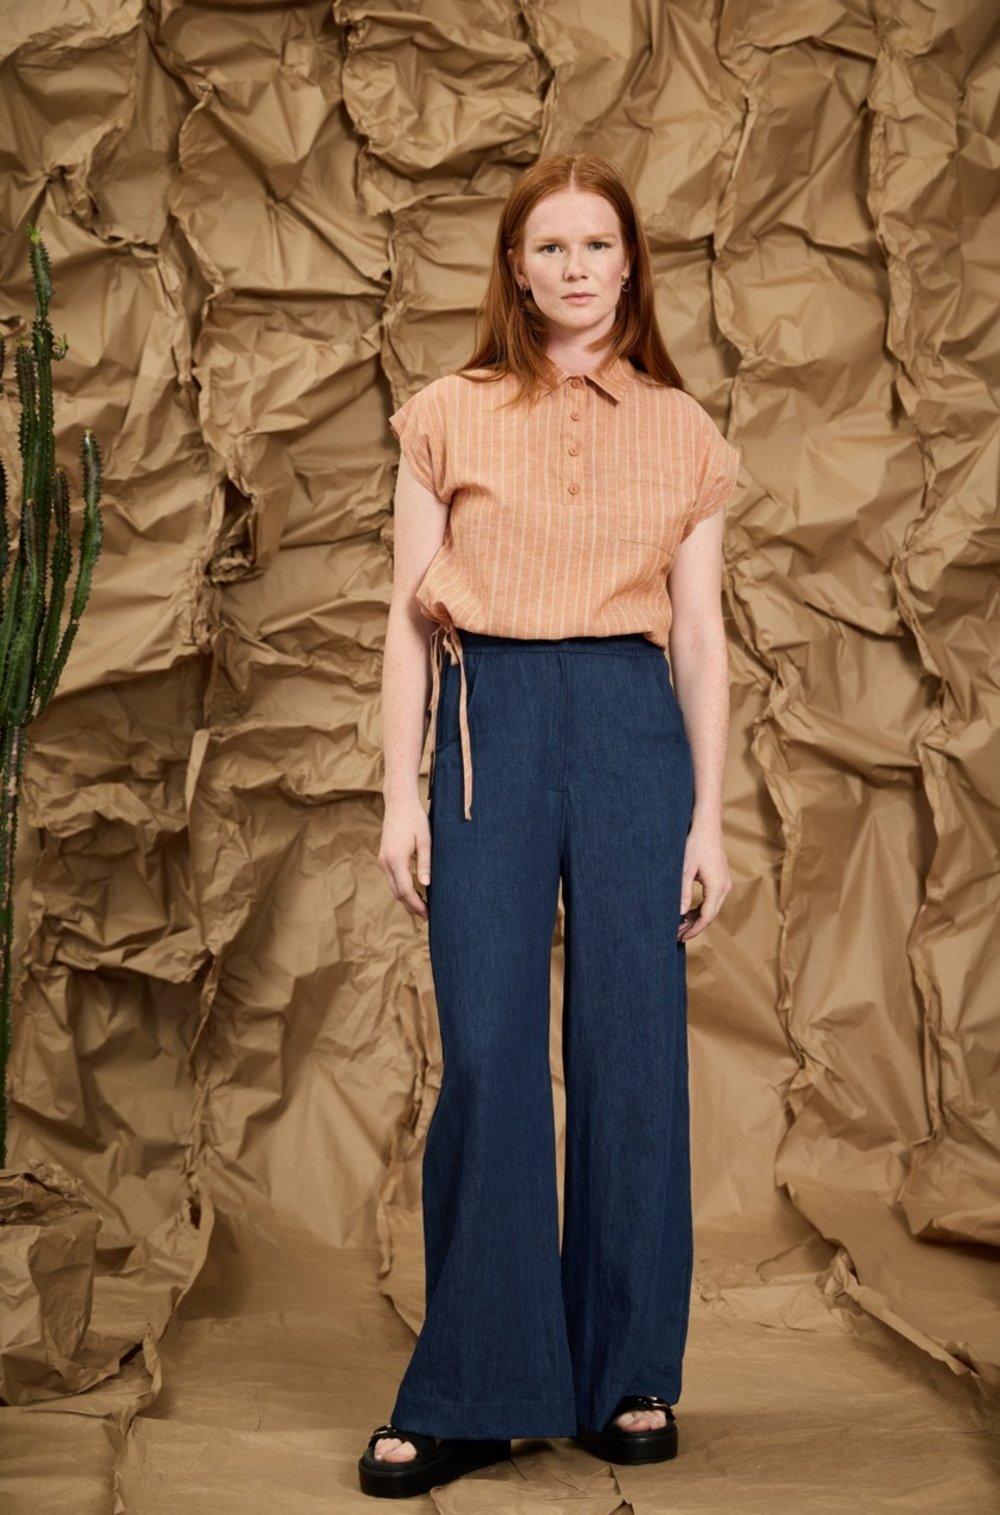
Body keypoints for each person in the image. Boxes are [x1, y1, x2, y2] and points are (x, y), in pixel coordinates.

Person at [359, 151, 738, 1500]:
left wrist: (709, 819)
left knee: (633, 1049)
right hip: (490, 730)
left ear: (631, 263)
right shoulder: (445, 415)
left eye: (599, 245)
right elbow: (409, 622)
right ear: (515, 270)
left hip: (633, 729)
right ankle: (475, 1385)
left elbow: (701, 640)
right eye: (551, 247)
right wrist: (397, 794)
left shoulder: (685, 431)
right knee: (490, 1051)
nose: (577, 268)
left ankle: (627, 1372)